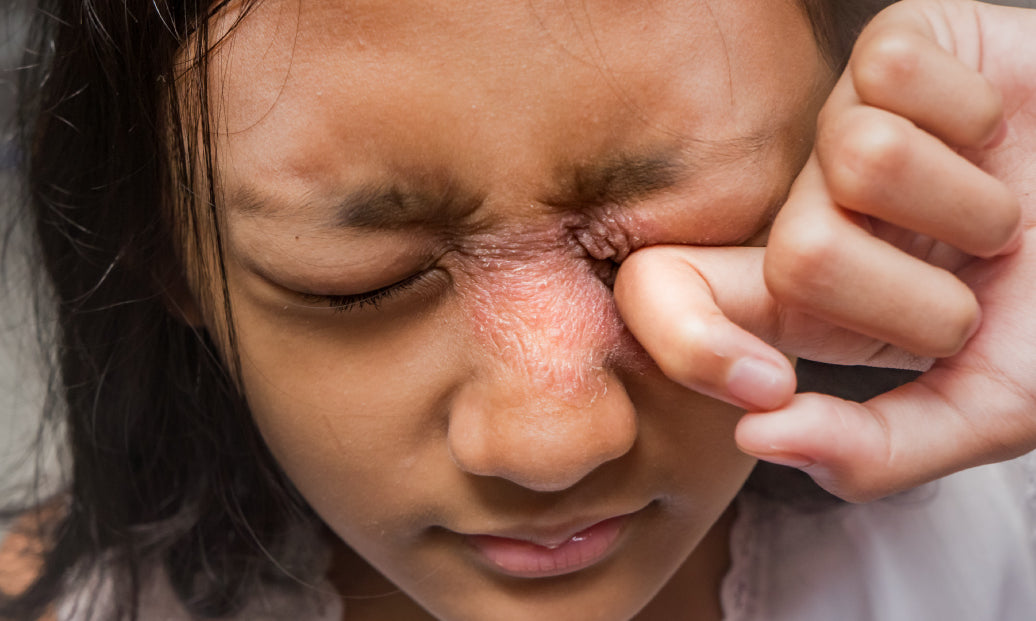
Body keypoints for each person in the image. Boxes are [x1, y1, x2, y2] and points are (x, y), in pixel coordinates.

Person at [1, 0, 1035, 619]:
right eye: (355, 276)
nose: (552, 444)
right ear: (166, 245)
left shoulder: (988, 544)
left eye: (681, 228)